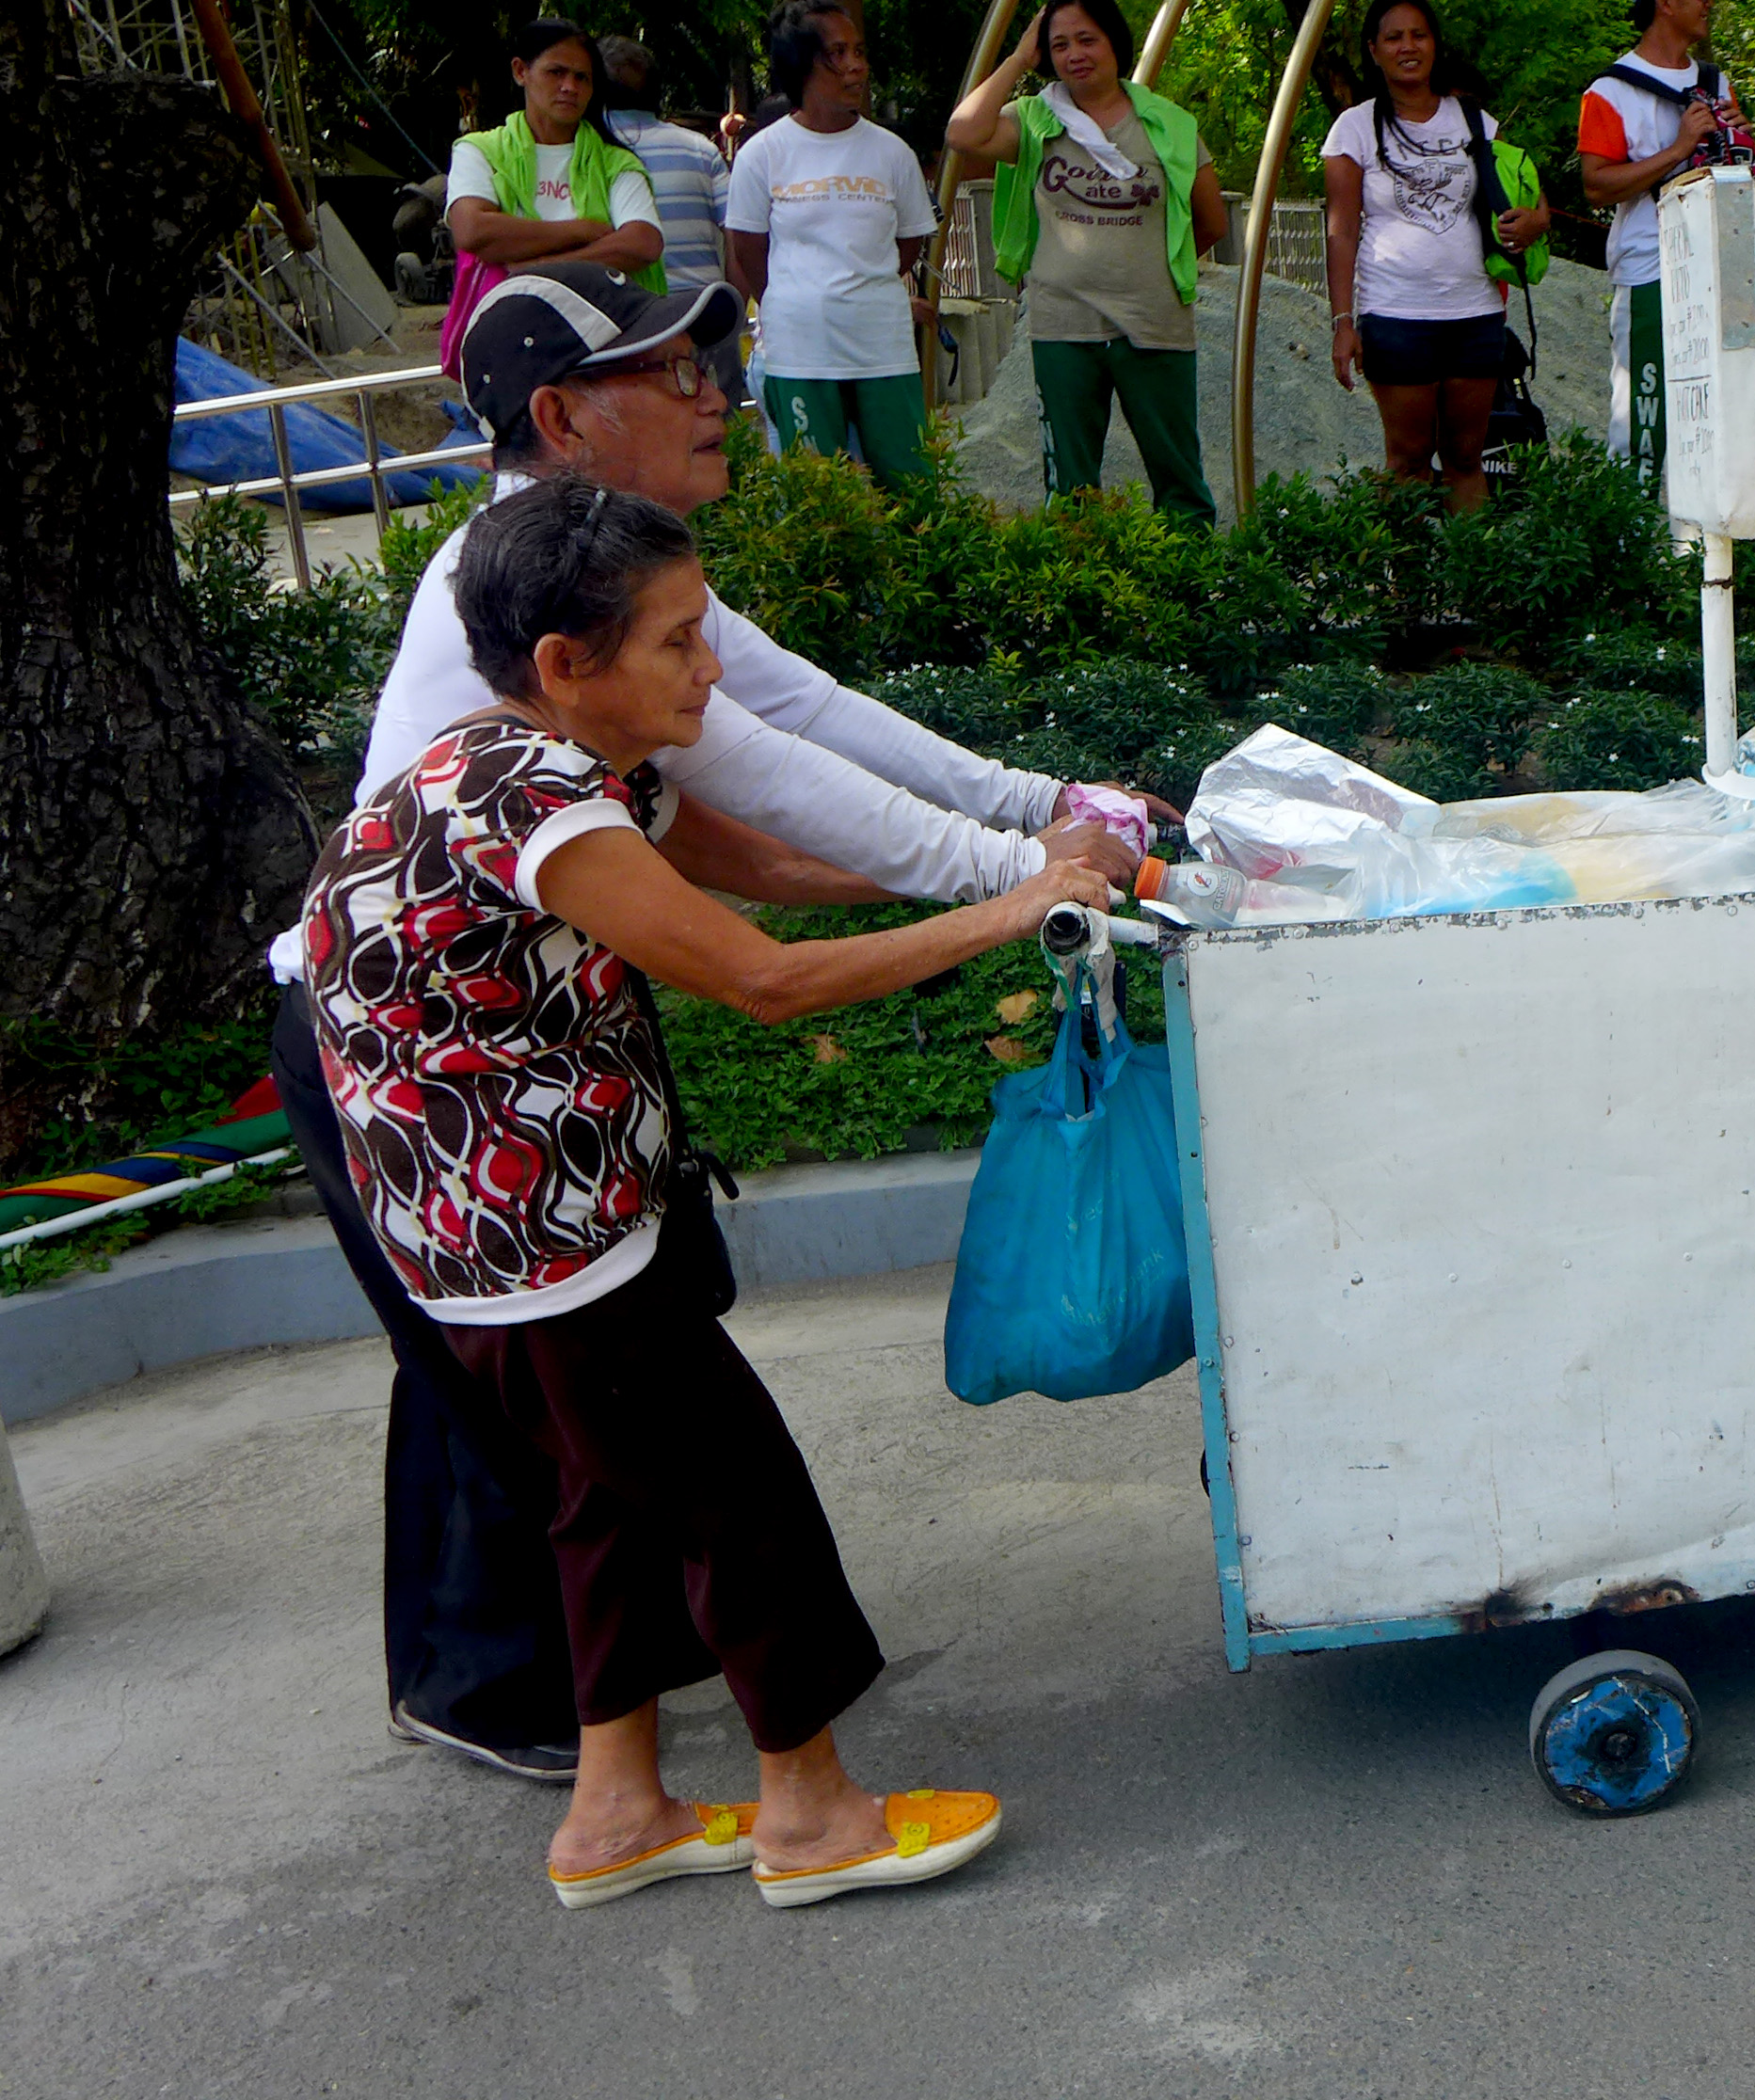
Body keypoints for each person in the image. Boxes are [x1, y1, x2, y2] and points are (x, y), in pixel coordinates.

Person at [269, 262, 1151, 1788]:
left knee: (585, 1460)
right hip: (447, 1106)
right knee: (676, 1469)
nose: (714, 394)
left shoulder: (594, 606)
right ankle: (717, 1769)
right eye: (670, 372)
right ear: (560, 419)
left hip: (519, 1093)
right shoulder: (542, 695)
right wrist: (1014, 883)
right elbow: (763, 935)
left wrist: (1027, 824)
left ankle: (608, 1782)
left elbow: (774, 761)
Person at [945, 0, 1231, 524]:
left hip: (1154, 325)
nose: (1074, 54)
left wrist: (1143, 267)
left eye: (1087, 39)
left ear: (1115, 42)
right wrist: (1019, 58)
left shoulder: (1168, 124)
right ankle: (1080, 578)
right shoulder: (1035, 119)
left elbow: (1212, 222)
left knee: (1179, 480)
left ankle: (1190, 574)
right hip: (1063, 327)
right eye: (1059, 45)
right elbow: (962, 133)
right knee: (1069, 489)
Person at [1321, 0, 1552, 512]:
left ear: (1434, 44)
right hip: (1395, 315)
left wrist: (1535, 222)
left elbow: (1530, 192)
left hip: (1476, 313)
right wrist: (1342, 321)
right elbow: (1341, 230)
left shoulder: (1475, 121)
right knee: (1408, 461)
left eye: (1419, 35)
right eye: (1394, 37)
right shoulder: (1355, 128)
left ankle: (1469, 565)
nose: (1408, 47)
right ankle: (1399, 567)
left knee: (1467, 459)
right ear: (1373, 51)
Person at [726, 1, 940, 490]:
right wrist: (796, 297)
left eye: (859, 52)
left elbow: (909, 241)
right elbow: (748, 247)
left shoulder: (892, 152)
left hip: (883, 347)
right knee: (817, 495)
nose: (856, 66)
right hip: (799, 350)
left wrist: (862, 284)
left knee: (910, 486)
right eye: (837, 53)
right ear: (801, 64)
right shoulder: (762, 154)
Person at [1577, 0, 1754, 490]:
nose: (1709, 3)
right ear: (1666, 3)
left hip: (1718, 270)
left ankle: (1697, 535)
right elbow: (1596, 186)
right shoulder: (1610, 90)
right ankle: (1632, 530)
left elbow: (1735, 174)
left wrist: (1739, 139)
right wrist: (1678, 149)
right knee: (1644, 420)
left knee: (1714, 420)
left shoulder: (1715, 83)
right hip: (1650, 270)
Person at [444, 17, 665, 372]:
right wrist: (584, 230)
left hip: (607, 353)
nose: (569, 87)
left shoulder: (616, 163)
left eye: (582, 78)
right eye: (556, 72)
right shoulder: (480, 151)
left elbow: (642, 244)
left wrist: (535, 269)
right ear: (520, 71)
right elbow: (473, 231)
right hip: (512, 354)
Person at [600, 37, 744, 404]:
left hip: (625, 322)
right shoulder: (700, 149)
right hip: (703, 313)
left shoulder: (588, 151)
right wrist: (733, 306)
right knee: (717, 423)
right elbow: (736, 233)